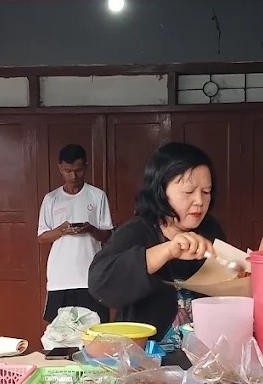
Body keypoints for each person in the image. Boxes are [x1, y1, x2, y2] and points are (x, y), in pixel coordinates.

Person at [89, 142, 224, 338]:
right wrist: (167, 251)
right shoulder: (137, 231)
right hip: (147, 358)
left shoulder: (210, 229)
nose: (199, 201)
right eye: (188, 192)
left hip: (202, 355)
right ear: (161, 190)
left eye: (206, 192)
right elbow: (100, 284)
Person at [37, 144, 112, 324]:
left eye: (78, 170)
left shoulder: (97, 196)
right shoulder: (51, 199)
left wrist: (90, 229)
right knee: (59, 333)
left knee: (94, 329)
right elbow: (41, 237)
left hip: (90, 277)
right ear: (60, 168)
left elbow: (108, 235)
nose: (73, 176)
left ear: (85, 167)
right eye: (68, 170)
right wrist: (61, 230)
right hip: (60, 278)